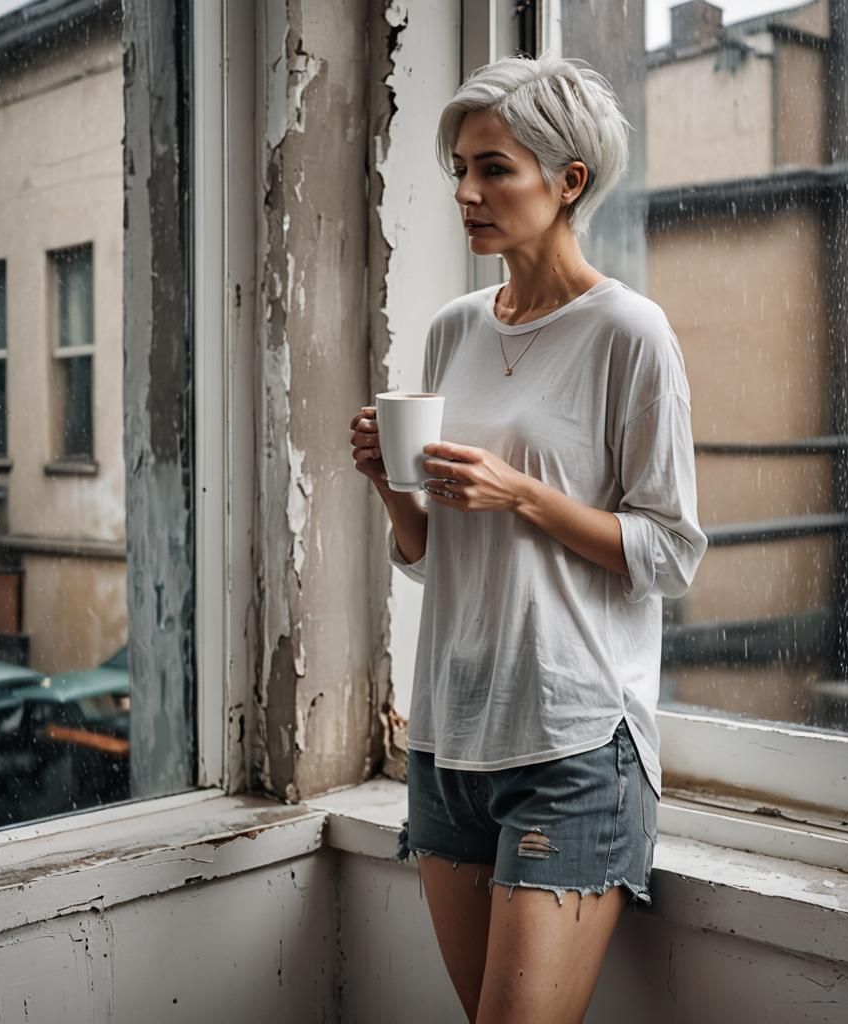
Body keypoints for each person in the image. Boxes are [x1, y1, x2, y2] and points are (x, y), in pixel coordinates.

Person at [349, 53, 707, 1024]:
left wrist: (521, 494)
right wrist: (392, 488)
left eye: (493, 167)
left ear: (568, 181)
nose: (466, 191)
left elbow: (670, 553)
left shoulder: (629, 333)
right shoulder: (451, 331)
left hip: (574, 743)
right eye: (459, 167)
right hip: (449, 738)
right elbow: (430, 555)